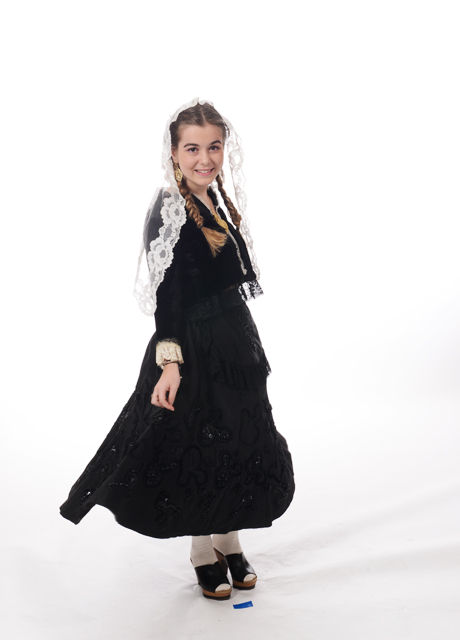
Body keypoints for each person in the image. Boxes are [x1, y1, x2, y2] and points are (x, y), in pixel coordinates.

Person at [60, 98, 295, 601]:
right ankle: (202, 550)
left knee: (239, 441)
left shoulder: (213, 200)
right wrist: (170, 363)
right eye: (192, 148)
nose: (204, 159)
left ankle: (229, 540)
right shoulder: (169, 207)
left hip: (235, 343)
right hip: (194, 345)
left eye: (214, 147)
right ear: (174, 152)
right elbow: (167, 294)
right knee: (202, 445)